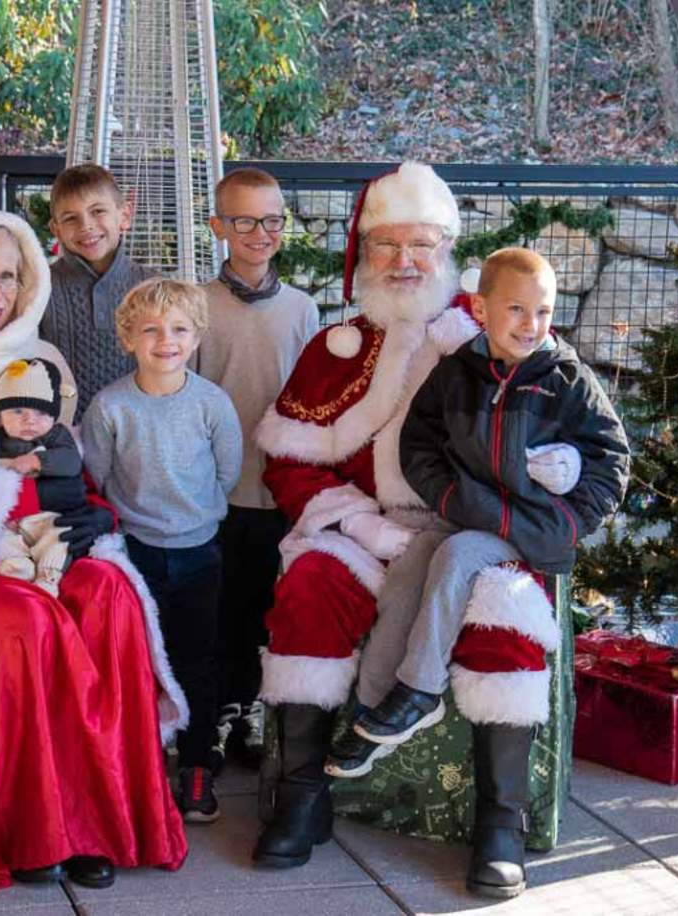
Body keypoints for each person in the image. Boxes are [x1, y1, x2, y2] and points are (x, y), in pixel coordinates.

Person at [328, 246, 630, 898]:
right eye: (516, 309)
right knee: (414, 566)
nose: (530, 323)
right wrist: (447, 499)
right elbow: (419, 443)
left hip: (524, 531)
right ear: (483, 309)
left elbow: (612, 463)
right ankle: (376, 709)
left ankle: (420, 690)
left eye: (543, 311)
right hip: (464, 512)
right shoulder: (459, 372)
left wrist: (566, 523)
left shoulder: (566, 379)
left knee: (460, 556)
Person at [0, 208, 188, 889]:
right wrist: (2, 501)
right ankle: (39, 828)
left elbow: (69, 467)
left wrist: (90, 515)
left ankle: (105, 820)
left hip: (37, 533)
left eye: (10, 275)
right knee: (28, 623)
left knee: (110, 598)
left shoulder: (41, 359)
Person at [251, 162, 482, 869]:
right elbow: (287, 461)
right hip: (359, 531)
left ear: (448, 251)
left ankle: (500, 816)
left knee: (504, 605)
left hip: (457, 533)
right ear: (364, 253)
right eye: (388, 246)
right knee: (309, 581)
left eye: (423, 245)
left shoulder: (483, 341)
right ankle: (302, 795)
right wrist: (355, 522)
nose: (406, 261)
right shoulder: (334, 349)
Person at [81, 278, 243, 825]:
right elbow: (97, 478)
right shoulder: (110, 407)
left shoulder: (211, 403)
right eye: (150, 330)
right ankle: (139, 763)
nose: (165, 340)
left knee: (196, 658)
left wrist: (196, 519)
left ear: (195, 337)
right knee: (137, 660)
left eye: (177, 329)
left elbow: (228, 472)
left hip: (200, 553)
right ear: (128, 340)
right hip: (135, 554)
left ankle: (196, 765)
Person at [196, 167, 319, 773]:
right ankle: (216, 713)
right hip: (215, 491)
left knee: (269, 603)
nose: (260, 232)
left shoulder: (302, 308)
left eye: (272, 219)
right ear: (219, 226)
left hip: (280, 491)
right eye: (244, 220)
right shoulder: (195, 306)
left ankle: (252, 711)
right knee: (223, 608)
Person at [40, 163, 156, 419]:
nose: (86, 225)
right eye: (71, 218)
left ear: (124, 215)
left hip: (137, 433)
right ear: (56, 229)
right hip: (61, 437)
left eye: (98, 211)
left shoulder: (153, 286)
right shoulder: (39, 287)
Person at [0, 357, 84, 597]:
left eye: (41, 412)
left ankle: (48, 576)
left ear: (54, 418)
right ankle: (17, 565)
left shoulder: (55, 436)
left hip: (48, 516)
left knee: (60, 536)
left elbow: (72, 462)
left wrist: (38, 461)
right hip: (10, 520)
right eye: (18, 411)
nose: (29, 419)